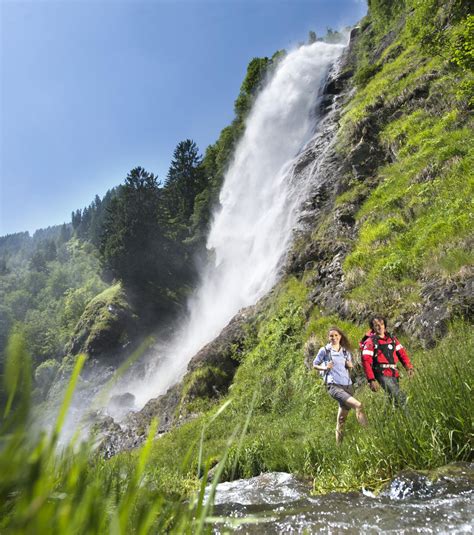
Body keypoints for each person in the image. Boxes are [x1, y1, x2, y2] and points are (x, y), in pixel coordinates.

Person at [309, 327, 368, 444]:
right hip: (334, 386)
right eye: (331, 336)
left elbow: (349, 366)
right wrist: (325, 367)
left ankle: (338, 448)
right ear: (328, 337)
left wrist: (350, 365)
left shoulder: (345, 351)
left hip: (348, 386)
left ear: (340, 336)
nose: (334, 338)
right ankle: (370, 435)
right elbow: (315, 364)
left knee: (341, 420)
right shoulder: (325, 350)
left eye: (336, 335)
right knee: (359, 405)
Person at [361, 316, 414, 407]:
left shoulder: (392, 339)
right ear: (372, 328)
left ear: (385, 325)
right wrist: (371, 380)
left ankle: (393, 418)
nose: (380, 327)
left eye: (382, 324)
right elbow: (366, 361)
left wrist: (409, 367)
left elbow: (402, 354)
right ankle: (411, 416)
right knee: (399, 396)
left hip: (394, 373)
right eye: (377, 325)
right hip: (381, 373)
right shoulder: (370, 342)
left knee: (394, 400)